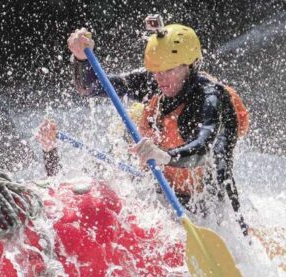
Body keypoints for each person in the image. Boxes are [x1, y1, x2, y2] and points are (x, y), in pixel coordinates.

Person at [63, 19, 250, 233]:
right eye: (155, 70)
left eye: (168, 70)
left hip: (206, 203)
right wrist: (81, 58)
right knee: (134, 121)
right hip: (163, 189)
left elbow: (203, 148)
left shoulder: (210, 97)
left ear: (189, 65)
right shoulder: (153, 81)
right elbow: (91, 87)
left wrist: (165, 156)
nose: (160, 78)